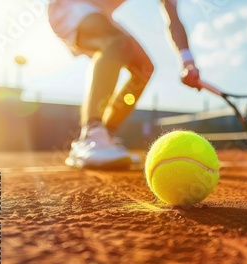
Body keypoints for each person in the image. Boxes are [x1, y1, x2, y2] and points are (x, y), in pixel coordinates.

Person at [47, 0, 201, 169]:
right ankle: (92, 136)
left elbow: (173, 18)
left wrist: (187, 61)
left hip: (100, 14)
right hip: (70, 6)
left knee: (144, 69)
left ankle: (106, 134)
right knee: (115, 41)